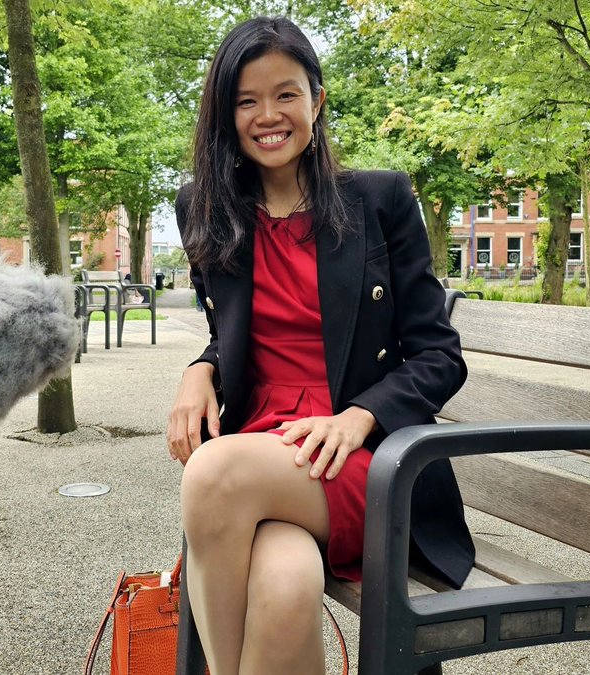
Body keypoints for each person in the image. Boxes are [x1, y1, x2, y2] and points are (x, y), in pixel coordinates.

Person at [167, 17, 475, 675]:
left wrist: (360, 415)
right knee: (284, 589)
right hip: (266, 453)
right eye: (246, 100)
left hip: (360, 454)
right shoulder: (203, 207)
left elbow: (439, 354)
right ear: (225, 112)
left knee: (213, 473)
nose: (268, 115)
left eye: (286, 94)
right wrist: (200, 367)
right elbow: (229, 333)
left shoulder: (380, 199)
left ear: (318, 99)